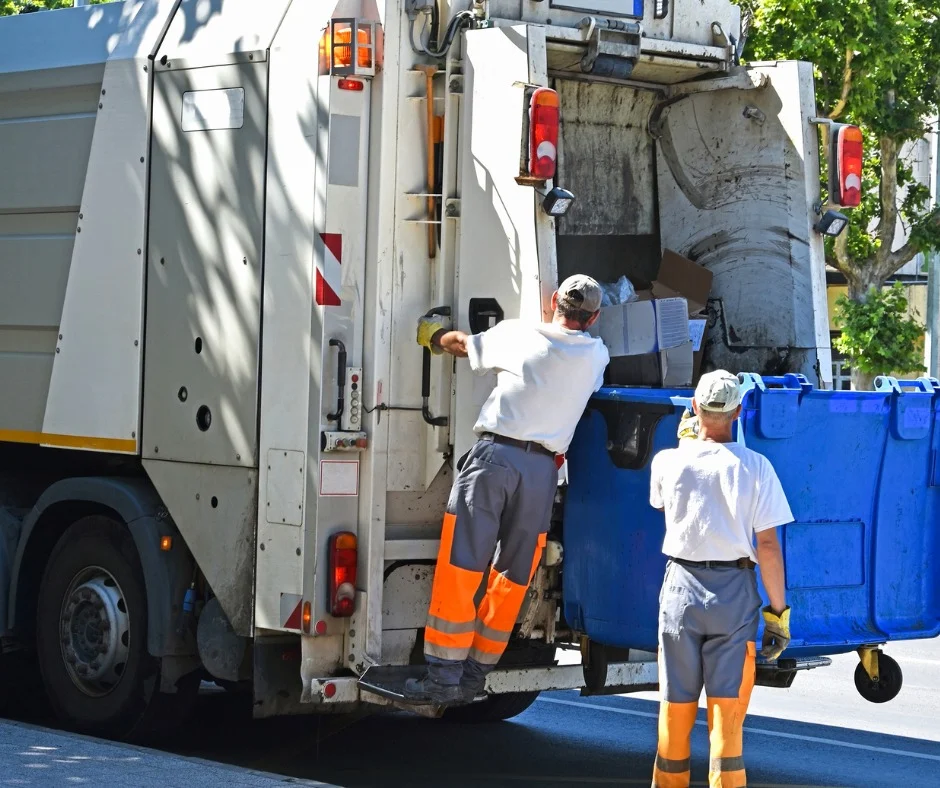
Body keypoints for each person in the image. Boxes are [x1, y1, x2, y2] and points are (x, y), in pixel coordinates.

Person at [404, 275, 610, 705]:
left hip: (496, 460)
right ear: (594, 317)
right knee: (512, 576)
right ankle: (475, 675)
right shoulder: (597, 357)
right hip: (542, 474)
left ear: (553, 300)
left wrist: (433, 334)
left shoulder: (520, 333)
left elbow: (463, 346)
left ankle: (443, 676)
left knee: (462, 567)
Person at [649, 370, 793, 788]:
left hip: (680, 588)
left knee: (675, 707)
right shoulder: (756, 467)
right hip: (733, 594)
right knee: (726, 713)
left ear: (694, 408)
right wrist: (777, 613)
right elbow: (767, 546)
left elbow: (664, 504)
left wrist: (686, 445)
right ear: (739, 411)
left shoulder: (668, 461)